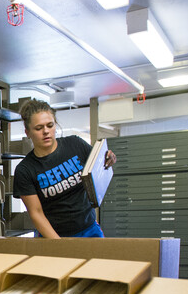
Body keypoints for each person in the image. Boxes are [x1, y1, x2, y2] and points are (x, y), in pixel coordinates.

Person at [12, 99, 116, 238]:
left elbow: (99, 166)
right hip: (54, 236)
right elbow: (36, 213)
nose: (46, 131)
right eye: (39, 128)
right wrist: (59, 244)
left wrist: (109, 158)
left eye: (50, 125)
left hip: (89, 229)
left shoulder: (76, 144)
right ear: (27, 132)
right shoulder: (25, 170)